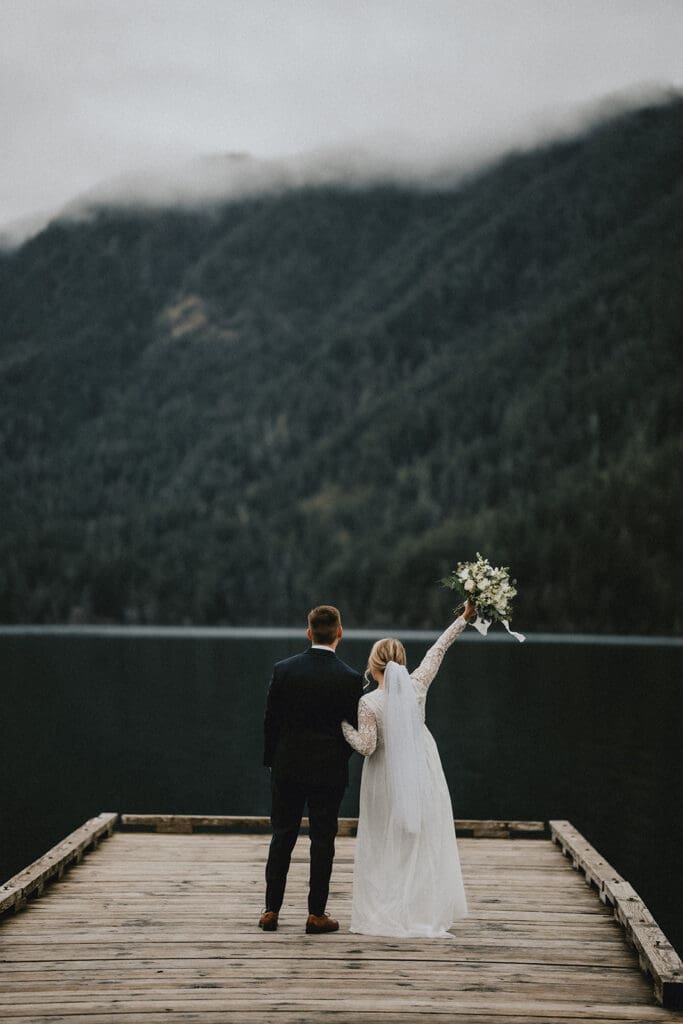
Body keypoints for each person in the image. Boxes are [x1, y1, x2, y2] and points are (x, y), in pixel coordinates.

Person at [341, 600, 477, 937]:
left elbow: (367, 746)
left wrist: (343, 727)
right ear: (401, 663)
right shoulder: (418, 686)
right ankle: (419, 908)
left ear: (373, 668)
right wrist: (464, 618)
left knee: (382, 840)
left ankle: (386, 908)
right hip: (421, 771)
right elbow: (438, 649)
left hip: (383, 777)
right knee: (417, 839)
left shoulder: (368, 702)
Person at [260, 604, 363, 934]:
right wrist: (338, 759)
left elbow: (271, 722)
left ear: (309, 633)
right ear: (339, 633)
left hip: (287, 768)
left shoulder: (284, 670)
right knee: (322, 840)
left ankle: (271, 911)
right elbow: (353, 730)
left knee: (282, 836)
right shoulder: (349, 679)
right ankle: (316, 915)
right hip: (328, 772)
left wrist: (272, 761)